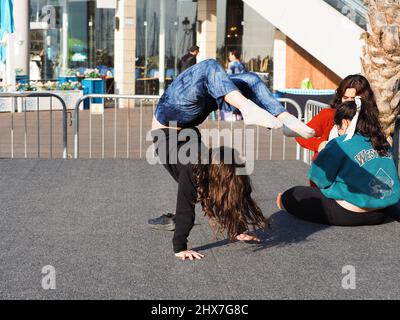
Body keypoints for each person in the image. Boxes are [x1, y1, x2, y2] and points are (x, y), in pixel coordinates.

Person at [277, 97, 400, 226]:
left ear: (345, 123)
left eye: (337, 125)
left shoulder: (340, 143)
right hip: (382, 211)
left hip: (350, 213)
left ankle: (284, 202)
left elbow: (318, 178)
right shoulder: (382, 141)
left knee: (293, 194)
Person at [150, 127, 268, 260]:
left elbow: (227, 198)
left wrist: (237, 229)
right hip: (164, 135)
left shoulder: (214, 164)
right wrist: (180, 247)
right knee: (191, 194)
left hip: (191, 133)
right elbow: (185, 209)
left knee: (210, 192)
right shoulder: (191, 171)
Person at [152, 59, 315, 139]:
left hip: (190, 113)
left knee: (251, 79)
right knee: (209, 66)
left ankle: (286, 120)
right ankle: (247, 107)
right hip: (168, 115)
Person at [296, 74, 378, 163]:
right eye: (345, 98)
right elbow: (301, 134)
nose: (349, 102)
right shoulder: (329, 114)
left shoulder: (369, 117)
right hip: (326, 170)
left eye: (354, 99)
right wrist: (318, 144)